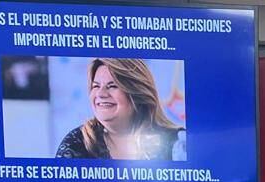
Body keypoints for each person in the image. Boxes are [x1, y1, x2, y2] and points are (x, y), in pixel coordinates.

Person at [56, 58, 185, 161]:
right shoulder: (76, 143)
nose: (101, 94)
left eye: (112, 86)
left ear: (137, 93)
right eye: (96, 86)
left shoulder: (177, 143)